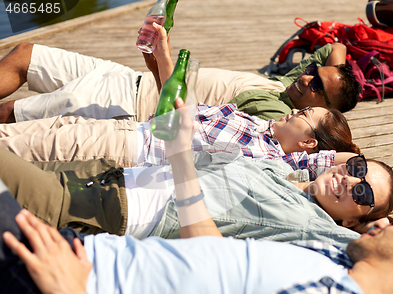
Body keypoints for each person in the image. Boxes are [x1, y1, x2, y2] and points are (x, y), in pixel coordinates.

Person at [0, 101, 393, 294]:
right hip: (80, 254)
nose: (387, 223)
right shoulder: (331, 259)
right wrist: (179, 154)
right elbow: (210, 251)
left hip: (72, 293)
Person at [0, 98, 393, 245]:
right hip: (113, 173)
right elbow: (334, 163)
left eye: (362, 194)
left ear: (354, 221)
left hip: (115, 208)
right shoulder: (287, 175)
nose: (352, 181)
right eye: (360, 170)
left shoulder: (311, 226)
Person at [0, 23, 361, 123]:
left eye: (316, 84)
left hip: (130, 103)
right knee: (25, 54)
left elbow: (192, 119)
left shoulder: (277, 114)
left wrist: (163, 64)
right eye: (314, 72)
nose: (307, 77)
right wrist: (337, 77)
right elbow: (333, 50)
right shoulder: (286, 85)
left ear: (323, 107)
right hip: (130, 77)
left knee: (11, 115)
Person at [0, 102, 359, 179]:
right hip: (127, 126)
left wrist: (352, 154)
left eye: (304, 116)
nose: (296, 111)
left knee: (12, 151)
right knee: (11, 138)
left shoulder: (273, 161)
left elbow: (338, 162)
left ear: (309, 144)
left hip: (124, 148)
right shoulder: (256, 123)